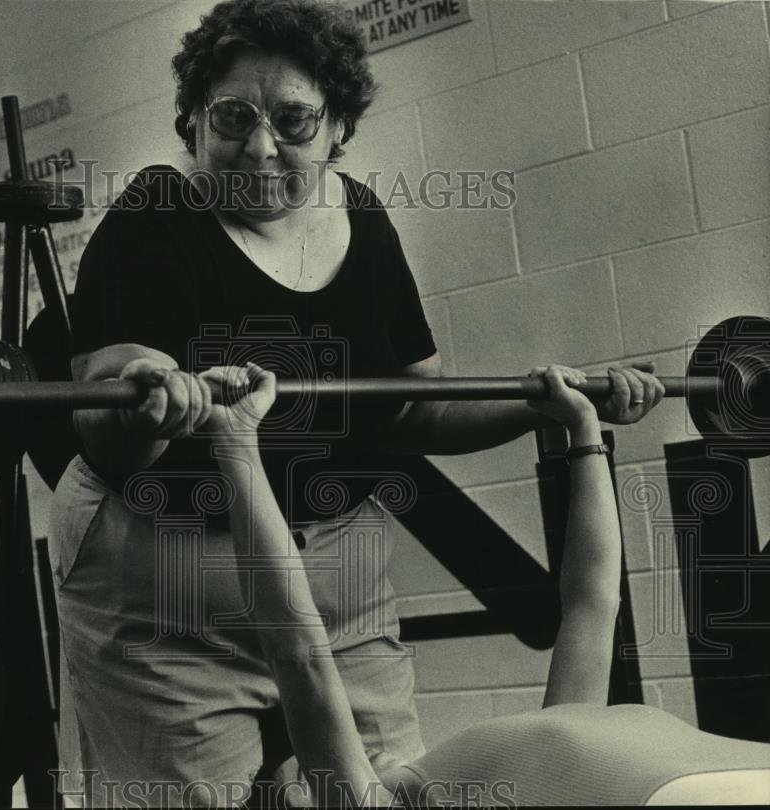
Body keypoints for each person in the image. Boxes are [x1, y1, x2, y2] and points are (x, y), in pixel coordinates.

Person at [49, 0, 667, 804]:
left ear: (338, 127)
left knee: (390, 793)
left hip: (340, 579)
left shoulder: (363, 222)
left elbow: (410, 410)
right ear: (192, 122)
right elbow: (107, 411)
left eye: (296, 120)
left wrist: (546, 405)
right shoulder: (156, 215)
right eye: (233, 116)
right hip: (166, 587)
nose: (261, 145)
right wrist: (147, 392)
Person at [202, 360, 770, 807]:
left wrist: (582, 429)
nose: (301, 775)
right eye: (296, 781)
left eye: (291, 776)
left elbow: (592, 604)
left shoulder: (542, 764)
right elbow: (300, 657)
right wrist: (236, 446)